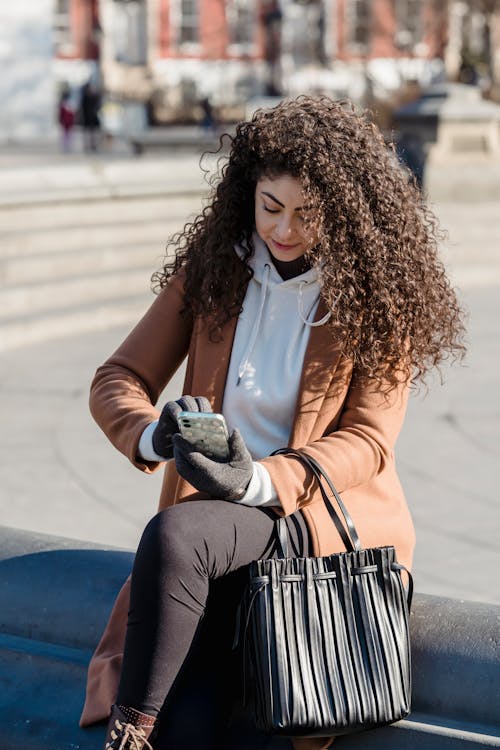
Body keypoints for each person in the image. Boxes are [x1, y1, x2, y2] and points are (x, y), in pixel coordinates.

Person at [79, 96, 465, 750]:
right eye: (269, 207)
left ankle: (128, 732)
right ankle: (153, 726)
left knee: (176, 536)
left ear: (342, 212)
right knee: (191, 717)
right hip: (220, 524)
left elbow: (369, 441)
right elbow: (117, 379)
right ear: (248, 196)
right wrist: (156, 433)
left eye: (306, 214)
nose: (283, 230)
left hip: (312, 515)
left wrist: (259, 479)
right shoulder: (215, 268)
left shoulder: (378, 294)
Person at [80, 80, 101, 152]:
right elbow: (83, 109)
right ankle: (87, 146)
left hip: (94, 119)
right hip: (87, 119)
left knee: (94, 134)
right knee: (87, 134)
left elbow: (98, 107)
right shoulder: (85, 98)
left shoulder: (95, 97)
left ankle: (94, 146)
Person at [58, 88, 75, 153]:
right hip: (65, 122)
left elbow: (72, 114)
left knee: (68, 135)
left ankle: (68, 147)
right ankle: (65, 147)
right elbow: (61, 114)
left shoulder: (69, 104)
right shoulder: (63, 105)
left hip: (69, 122)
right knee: (65, 135)